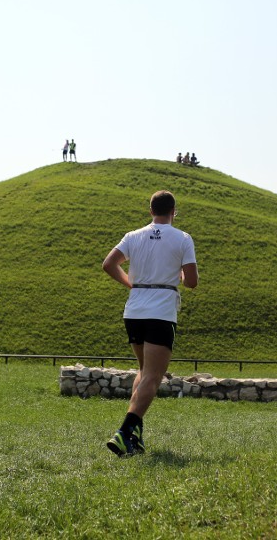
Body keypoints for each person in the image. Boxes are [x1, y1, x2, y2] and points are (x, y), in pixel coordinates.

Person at [101, 190, 198, 456]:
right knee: (154, 377)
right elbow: (191, 281)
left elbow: (109, 264)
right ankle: (123, 432)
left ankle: (135, 437)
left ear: (150, 210)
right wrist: (178, 272)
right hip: (161, 310)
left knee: (144, 372)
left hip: (133, 309)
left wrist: (131, 284)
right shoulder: (183, 238)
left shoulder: (133, 236)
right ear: (174, 211)